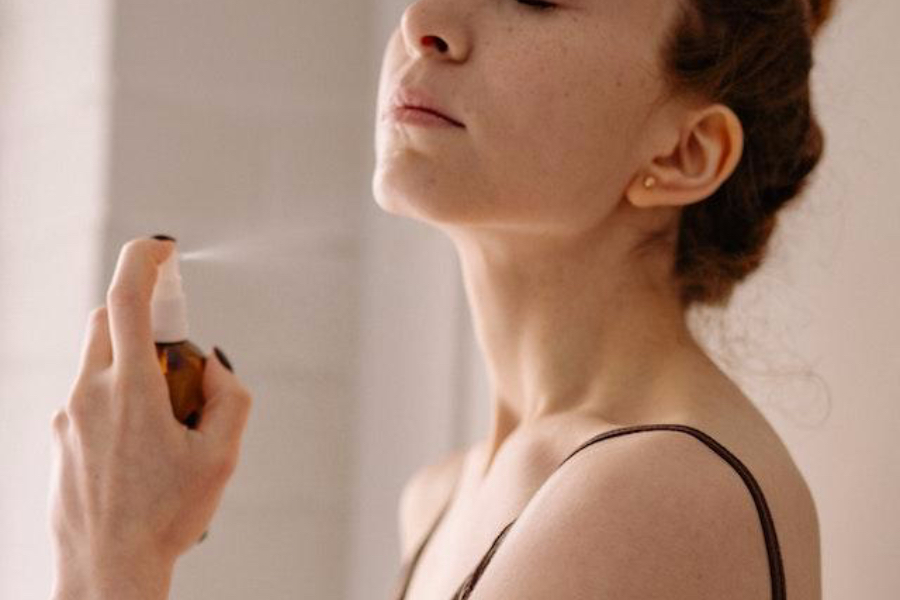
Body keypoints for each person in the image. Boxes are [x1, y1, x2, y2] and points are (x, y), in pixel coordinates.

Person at [48, 0, 833, 597]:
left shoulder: (659, 494)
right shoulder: (444, 497)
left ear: (686, 152)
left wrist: (111, 559)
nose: (422, 21)